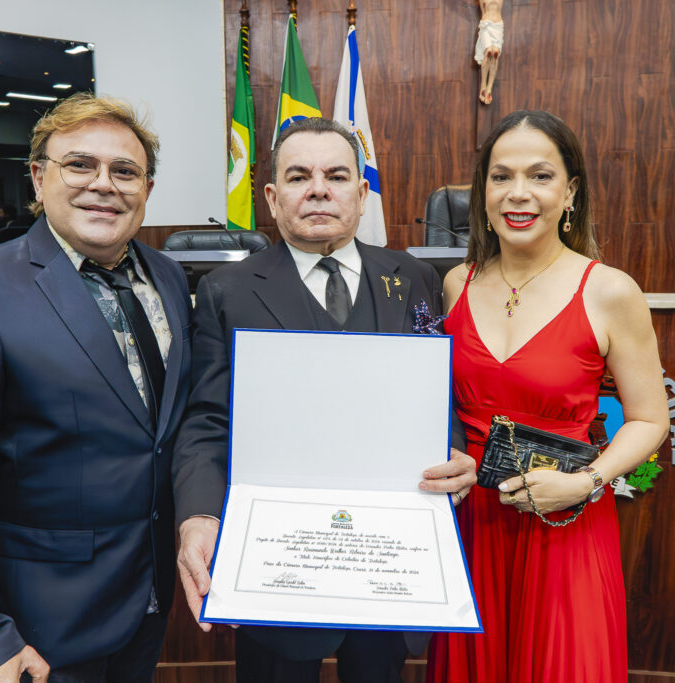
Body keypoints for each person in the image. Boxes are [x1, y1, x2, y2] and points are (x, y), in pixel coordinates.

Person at [0, 93, 192, 683]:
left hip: (148, 601)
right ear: (38, 176)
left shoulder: (169, 274)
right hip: (35, 627)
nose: (103, 185)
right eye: (80, 164)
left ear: (147, 190)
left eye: (125, 171)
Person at [172, 117, 477, 683]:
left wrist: (454, 454)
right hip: (279, 561)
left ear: (362, 195)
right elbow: (209, 421)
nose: (318, 189)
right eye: (298, 176)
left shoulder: (412, 277)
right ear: (272, 195)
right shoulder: (226, 291)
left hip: (388, 559)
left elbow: (435, 396)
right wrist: (199, 514)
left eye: (337, 175)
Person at [426, 110, 669, 682]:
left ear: (571, 191)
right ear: (482, 190)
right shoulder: (456, 284)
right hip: (476, 524)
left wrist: (583, 483)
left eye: (540, 176)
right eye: (501, 176)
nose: (519, 194)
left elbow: (649, 420)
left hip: (567, 522)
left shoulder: (609, 290)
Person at [475, 1, 504, 105]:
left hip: (498, 26)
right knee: (488, 52)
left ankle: (489, 89)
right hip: (486, 25)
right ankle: (483, 85)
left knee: (495, 54)